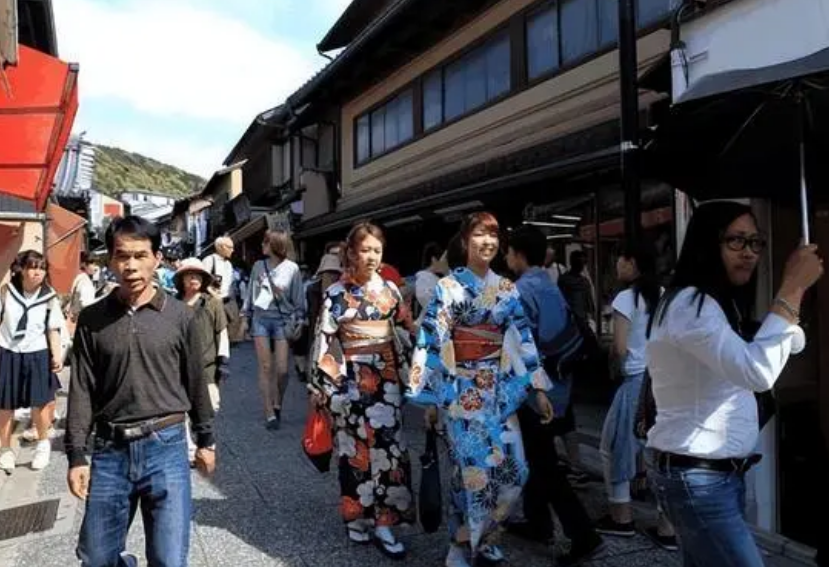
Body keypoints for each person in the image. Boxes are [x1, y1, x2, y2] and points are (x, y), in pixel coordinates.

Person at [646, 201, 823, 567]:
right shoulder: (691, 305)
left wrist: (785, 327)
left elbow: (747, 356)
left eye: (755, 242)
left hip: (711, 477)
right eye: (736, 242)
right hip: (698, 481)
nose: (749, 253)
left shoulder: (709, 304)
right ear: (709, 244)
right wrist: (792, 288)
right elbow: (756, 373)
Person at [65, 215, 216, 567]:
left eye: (140, 255)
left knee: (169, 559)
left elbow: (196, 381)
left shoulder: (180, 316)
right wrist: (76, 455)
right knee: (95, 558)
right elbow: (82, 389)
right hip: (110, 448)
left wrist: (206, 439)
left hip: (166, 445)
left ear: (156, 259)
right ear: (110, 261)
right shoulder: (92, 319)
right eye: (122, 256)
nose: (131, 265)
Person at [407, 212, 553, 567]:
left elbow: (521, 337)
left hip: (499, 392)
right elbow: (434, 340)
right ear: (463, 242)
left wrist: (537, 386)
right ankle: (463, 546)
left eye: (493, 234)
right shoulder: (448, 287)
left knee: (515, 471)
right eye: (479, 234)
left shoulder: (506, 288)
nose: (487, 241)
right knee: (472, 474)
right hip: (461, 392)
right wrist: (430, 397)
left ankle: (477, 536)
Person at [310, 222, 415, 559]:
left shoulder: (391, 291)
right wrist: (324, 385)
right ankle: (356, 517)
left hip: (386, 382)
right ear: (352, 253)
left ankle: (385, 521)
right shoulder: (337, 294)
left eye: (377, 250)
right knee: (354, 453)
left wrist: (414, 372)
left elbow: (407, 333)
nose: (371, 256)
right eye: (365, 250)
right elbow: (324, 341)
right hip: (351, 381)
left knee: (390, 450)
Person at [504, 226, 603, 566]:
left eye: (508, 251)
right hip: (561, 383)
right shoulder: (549, 284)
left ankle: (583, 535)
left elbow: (523, 347)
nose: (506, 257)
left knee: (545, 463)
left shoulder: (519, 291)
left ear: (517, 253)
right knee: (537, 456)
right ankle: (538, 522)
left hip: (537, 390)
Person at [595, 242, 672, 543]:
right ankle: (667, 527)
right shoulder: (663, 296)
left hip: (635, 382)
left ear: (632, 263)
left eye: (620, 259)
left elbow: (620, 348)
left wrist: (614, 363)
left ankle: (621, 517)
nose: (617, 265)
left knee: (613, 446)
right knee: (657, 450)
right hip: (661, 380)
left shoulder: (626, 298)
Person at [0, 251, 64, 473]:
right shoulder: (7, 292)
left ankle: (43, 445)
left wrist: (56, 355)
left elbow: (53, 329)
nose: (37, 272)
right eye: (33, 267)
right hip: (8, 350)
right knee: (5, 404)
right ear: (23, 270)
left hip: (37, 352)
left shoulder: (49, 297)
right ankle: (5, 450)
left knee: (39, 402)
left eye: (42, 268)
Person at [242, 230, 306, 430]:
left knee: (283, 370)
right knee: (265, 367)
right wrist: (245, 317)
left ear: (276, 245)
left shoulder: (292, 269)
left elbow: (298, 299)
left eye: (266, 242)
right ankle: (269, 412)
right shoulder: (258, 266)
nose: (262, 245)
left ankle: (278, 402)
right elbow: (251, 293)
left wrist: (301, 320)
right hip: (261, 319)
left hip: (283, 320)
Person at [174, 257, 228, 416]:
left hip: (207, 368)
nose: (193, 278)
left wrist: (223, 361)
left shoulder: (212, 303)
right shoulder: (173, 303)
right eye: (189, 275)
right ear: (181, 279)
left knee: (208, 412)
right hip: (178, 368)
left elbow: (221, 332)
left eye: (197, 275)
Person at [203, 236, 243, 343]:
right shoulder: (209, 260)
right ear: (221, 247)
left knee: (231, 334)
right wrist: (214, 294)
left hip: (228, 302)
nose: (232, 250)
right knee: (216, 334)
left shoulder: (228, 264)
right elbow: (203, 282)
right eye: (230, 247)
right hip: (214, 302)